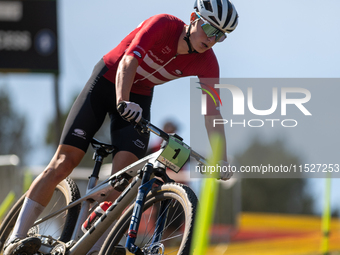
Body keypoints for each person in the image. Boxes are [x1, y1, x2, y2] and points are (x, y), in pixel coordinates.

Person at [3, 0, 239, 254]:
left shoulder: (208, 63)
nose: (212, 39)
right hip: (108, 80)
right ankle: (15, 238)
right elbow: (128, 62)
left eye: (221, 36)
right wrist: (122, 101)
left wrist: (221, 159)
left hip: (140, 95)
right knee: (64, 162)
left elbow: (212, 111)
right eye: (210, 29)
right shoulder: (163, 24)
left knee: (125, 179)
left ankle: (94, 234)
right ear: (193, 17)